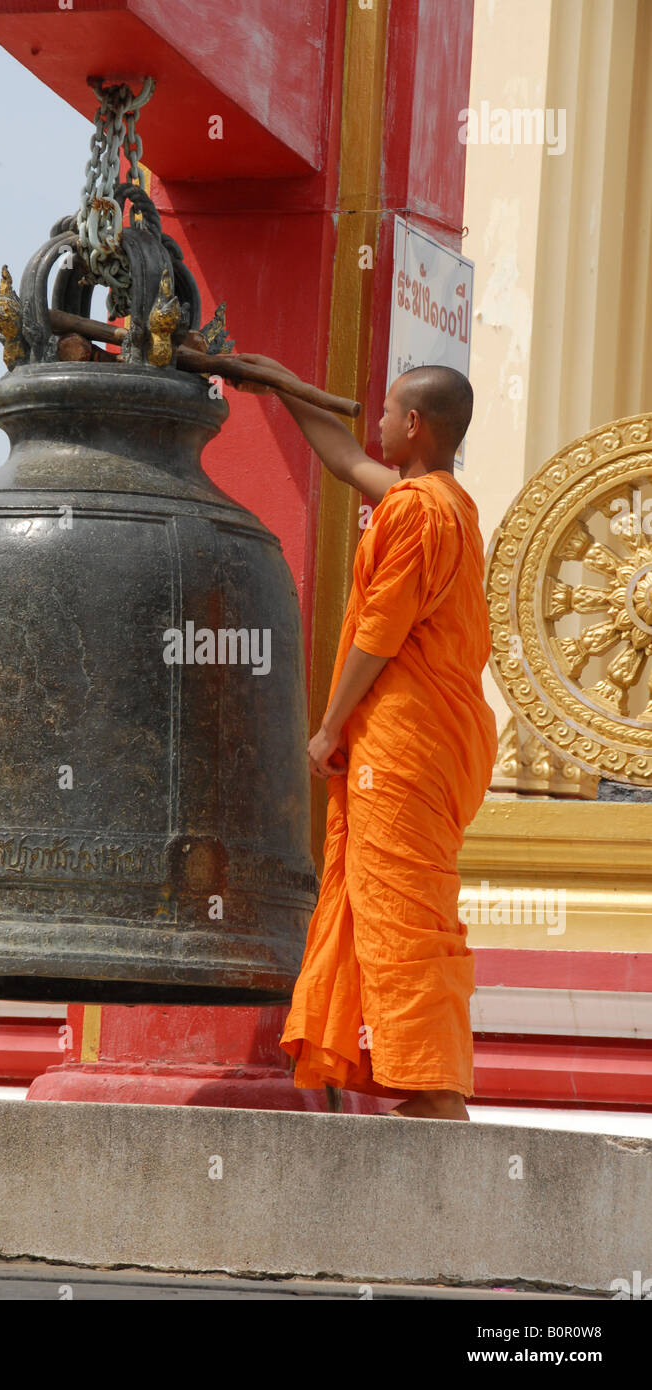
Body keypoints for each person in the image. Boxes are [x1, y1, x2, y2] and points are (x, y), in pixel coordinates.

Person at [233, 357, 498, 1119]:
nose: (374, 424)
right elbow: (346, 460)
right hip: (434, 740)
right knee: (389, 901)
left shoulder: (416, 512)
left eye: (386, 412)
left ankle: (436, 1090)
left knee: (401, 912)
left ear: (413, 425)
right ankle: (421, 1081)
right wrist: (280, 385)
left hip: (404, 740)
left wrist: (327, 726)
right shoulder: (447, 502)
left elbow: (379, 634)